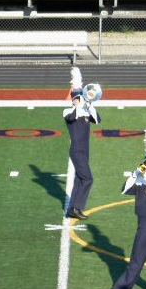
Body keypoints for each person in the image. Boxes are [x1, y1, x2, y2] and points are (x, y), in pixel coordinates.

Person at [101, 127, 146, 289]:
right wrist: (136, 174)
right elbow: (124, 190)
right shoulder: (141, 179)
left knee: (136, 261)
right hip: (145, 224)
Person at [65, 68, 100, 220]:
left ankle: (73, 209)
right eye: (76, 98)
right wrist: (78, 104)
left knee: (80, 179)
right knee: (88, 179)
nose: (77, 100)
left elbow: (97, 120)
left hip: (85, 150)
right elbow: (72, 116)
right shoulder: (68, 112)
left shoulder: (86, 111)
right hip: (77, 150)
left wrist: (90, 104)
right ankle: (77, 207)